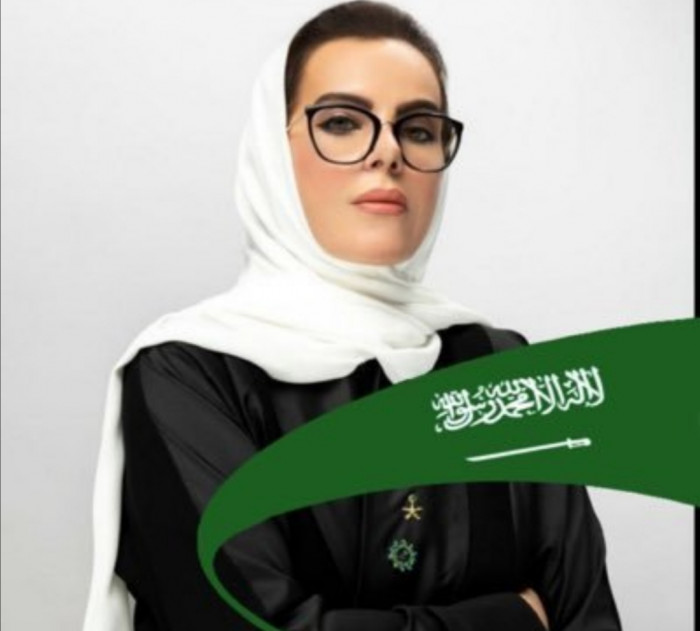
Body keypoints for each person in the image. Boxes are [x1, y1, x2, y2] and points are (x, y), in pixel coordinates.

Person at [81, 2, 623, 630]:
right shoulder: (190, 373)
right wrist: (512, 620)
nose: (388, 152)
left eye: (419, 129)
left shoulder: (504, 371)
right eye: (341, 122)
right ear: (273, 149)